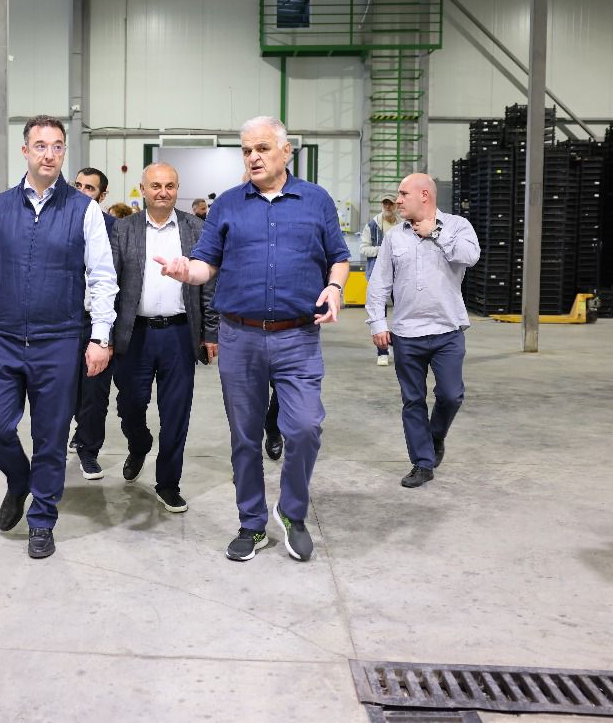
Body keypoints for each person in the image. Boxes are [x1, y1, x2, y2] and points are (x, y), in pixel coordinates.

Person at [156, 116, 350, 563]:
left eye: (262, 148)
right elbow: (205, 264)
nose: (253, 157)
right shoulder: (227, 204)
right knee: (244, 436)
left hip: (298, 336)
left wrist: (335, 287)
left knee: (305, 427)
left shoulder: (316, 200)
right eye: (246, 151)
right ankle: (251, 522)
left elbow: (339, 257)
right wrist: (186, 270)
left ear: (286, 151)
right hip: (239, 337)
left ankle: (292, 512)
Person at [0, 116, 118, 559]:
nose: (49, 154)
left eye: (57, 146)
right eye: (41, 145)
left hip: (60, 340)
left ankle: (42, 519)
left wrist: (100, 337)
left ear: (64, 151)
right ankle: (18, 480)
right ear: (25, 151)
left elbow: (102, 278)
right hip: (4, 337)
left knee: (51, 436)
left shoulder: (84, 210)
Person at [110, 163, 217, 512]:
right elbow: (108, 283)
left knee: (176, 412)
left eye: (170, 186)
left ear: (177, 189)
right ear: (142, 189)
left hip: (179, 334)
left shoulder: (196, 228)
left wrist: (210, 332)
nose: (163, 192)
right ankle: (139, 443)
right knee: (129, 406)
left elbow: (208, 285)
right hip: (134, 335)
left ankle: (168, 483)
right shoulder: (123, 229)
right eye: (155, 185)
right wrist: (103, 336)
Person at [365, 173, 480, 489]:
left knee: (451, 395)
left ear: (425, 195)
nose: (398, 200)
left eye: (404, 194)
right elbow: (379, 283)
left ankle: (435, 436)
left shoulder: (457, 226)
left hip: (447, 330)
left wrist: (436, 232)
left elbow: (471, 256)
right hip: (406, 334)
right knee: (413, 400)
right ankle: (422, 462)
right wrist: (378, 322)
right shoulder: (394, 237)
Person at [70, 167, 116, 479]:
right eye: (78, 185)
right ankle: (74, 434)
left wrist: (108, 332)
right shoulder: (60, 222)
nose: (82, 192)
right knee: (66, 389)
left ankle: (89, 451)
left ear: (102, 195)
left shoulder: (114, 229)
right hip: (63, 320)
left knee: (95, 391)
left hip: (97, 321)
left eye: (90, 188)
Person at [360, 194, 400, 366]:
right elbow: (363, 249)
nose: (388, 206)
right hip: (378, 276)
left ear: (395, 206)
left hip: (400, 276)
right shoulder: (372, 226)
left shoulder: (403, 224)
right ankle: (382, 352)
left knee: (402, 313)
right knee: (378, 315)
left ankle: (401, 349)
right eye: (385, 203)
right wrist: (383, 250)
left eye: (391, 204)